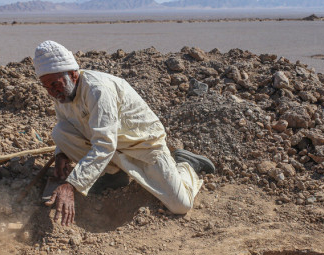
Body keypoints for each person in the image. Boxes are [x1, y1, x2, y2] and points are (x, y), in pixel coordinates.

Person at [33, 40, 215, 226]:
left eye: (55, 84)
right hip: (111, 144)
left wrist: (72, 184)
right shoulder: (62, 93)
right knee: (60, 132)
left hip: (142, 146)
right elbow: (67, 125)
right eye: (46, 87)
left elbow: (104, 145)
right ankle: (113, 175)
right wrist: (61, 154)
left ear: (72, 74)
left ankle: (186, 163)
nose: (52, 92)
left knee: (180, 205)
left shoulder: (97, 90)